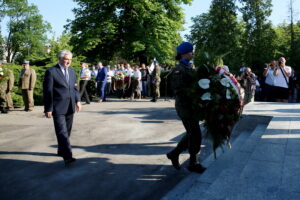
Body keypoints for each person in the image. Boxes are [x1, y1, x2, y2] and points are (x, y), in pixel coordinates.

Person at [166, 42, 206, 174]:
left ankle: (175, 154)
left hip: (191, 106)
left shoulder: (188, 67)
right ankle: (192, 162)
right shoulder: (179, 69)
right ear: (183, 53)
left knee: (192, 134)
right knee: (195, 134)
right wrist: (196, 93)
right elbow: (179, 90)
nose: (192, 54)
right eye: (190, 52)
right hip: (185, 107)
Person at [43, 50, 81, 166]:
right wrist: (48, 108)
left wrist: (78, 100)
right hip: (57, 107)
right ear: (60, 59)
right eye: (66, 59)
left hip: (70, 107)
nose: (68, 61)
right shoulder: (52, 72)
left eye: (70, 59)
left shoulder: (72, 71)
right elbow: (48, 91)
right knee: (62, 132)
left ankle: (61, 150)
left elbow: (75, 88)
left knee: (67, 132)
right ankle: (68, 156)